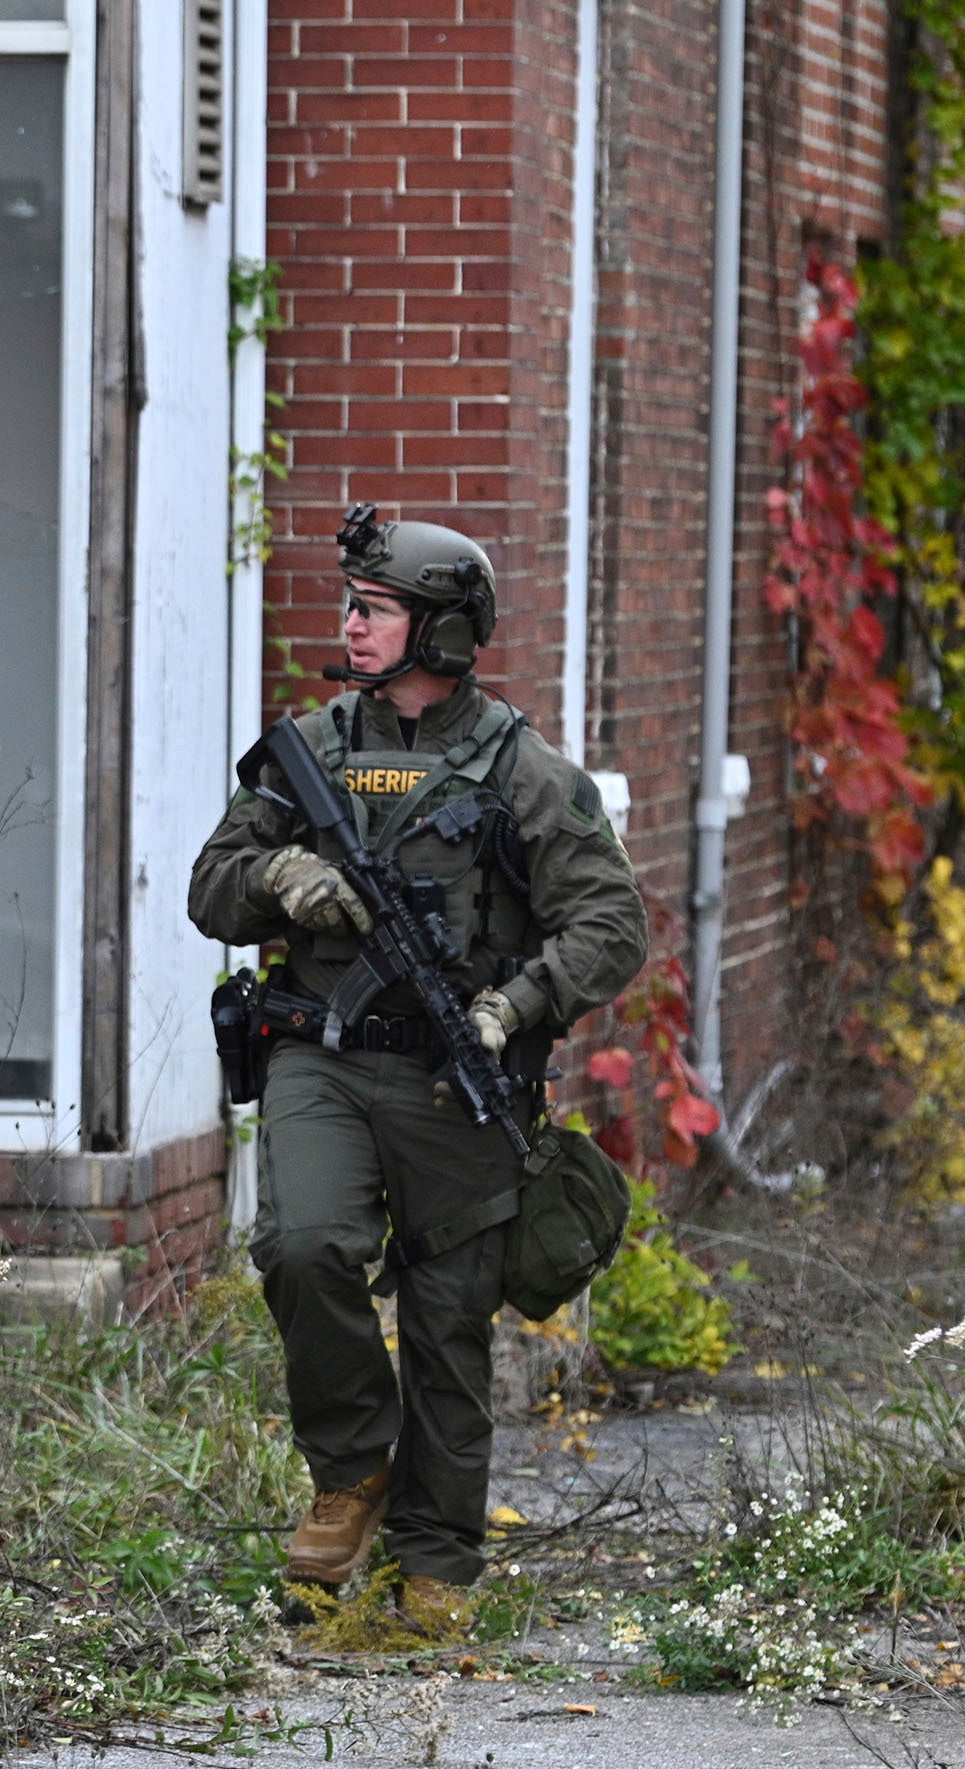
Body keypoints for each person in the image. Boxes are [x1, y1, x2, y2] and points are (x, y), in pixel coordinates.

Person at [187, 506, 646, 1634]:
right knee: (303, 1246)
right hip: (321, 1056)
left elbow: (612, 923)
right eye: (350, 607)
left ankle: (436, 1559)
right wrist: (283, 880)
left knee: (449, 1317)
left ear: (443, 631)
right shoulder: (312, 750)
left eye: (376, 610)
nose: (350, 625)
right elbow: (212, 885)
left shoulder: (523, 771)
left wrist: (516, 1001)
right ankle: (351, 1472)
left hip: (456, 1074)